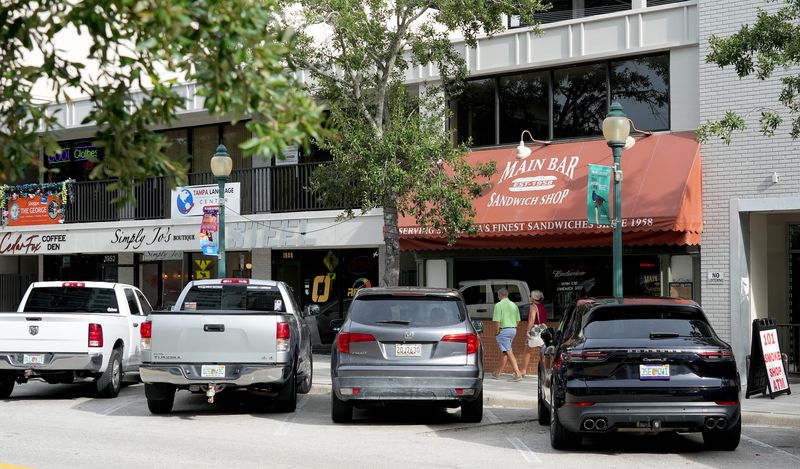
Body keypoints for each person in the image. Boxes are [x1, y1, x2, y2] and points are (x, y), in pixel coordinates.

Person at [491, 288, 523, 382]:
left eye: (498, 295)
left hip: (503, 331)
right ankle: (498, 373)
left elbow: (497, 321)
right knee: (505, 351)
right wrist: (512, 327)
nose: (498, 297)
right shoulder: (514, 305)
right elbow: (518, 320)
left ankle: (517, 373)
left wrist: (496, 332)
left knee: (508, 351)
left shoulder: (498, 305)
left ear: (501, 295)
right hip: (513, 330)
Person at [520, 289, 548, 378]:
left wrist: (528, 332)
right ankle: (545, 371)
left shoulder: (533, 306)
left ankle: (523, 371)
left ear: (534, 297)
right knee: (543, 352)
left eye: (530, 296)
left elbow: (531, 320)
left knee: (527, 351)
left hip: (535, 330)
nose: (530, 297)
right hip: (543, 329)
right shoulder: (542, 306)